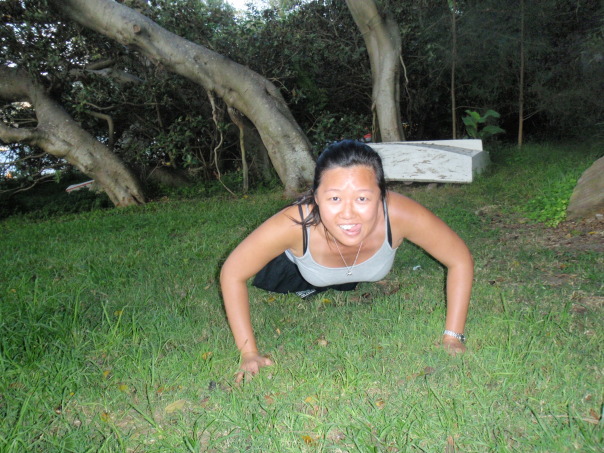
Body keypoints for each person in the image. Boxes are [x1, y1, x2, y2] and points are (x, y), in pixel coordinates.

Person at [220, 140, 474, 383]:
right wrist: (248, 352)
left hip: (352, 277)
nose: (348, 213)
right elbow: (232, 273)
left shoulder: (399, 214)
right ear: (316, 197)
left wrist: (453, 336)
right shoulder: (293, 224)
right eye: (334, 199)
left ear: (382, 196)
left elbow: (459, 259)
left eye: (362, 198)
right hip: (296, 271)